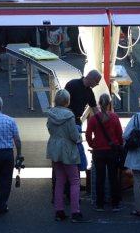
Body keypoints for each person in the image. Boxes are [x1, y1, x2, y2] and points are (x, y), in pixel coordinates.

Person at [46, 89, 84, 222]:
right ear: (67, 101)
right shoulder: (69, 115)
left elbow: (50, 129)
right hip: (68, 149)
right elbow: (74, 135)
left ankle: (59, 210)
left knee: (60, 180)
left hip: (55, 148)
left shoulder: (50, 114)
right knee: (74, 181)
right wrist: (80, 138)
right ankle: (75, 211)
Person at [85, 93, 124, 211]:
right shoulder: (114, 117)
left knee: (99, 178)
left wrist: (92, 144)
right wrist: (120, 144)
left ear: (99, 103)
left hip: (98, 151)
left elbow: (88, 134)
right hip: (112, 150)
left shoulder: (93, 118)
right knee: (113, 177)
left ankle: (99, 204)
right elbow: (119, 134)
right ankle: (115, 203)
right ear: (109, 104)